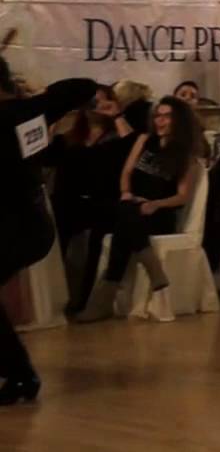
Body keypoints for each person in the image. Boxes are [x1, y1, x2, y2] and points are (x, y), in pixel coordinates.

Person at [0, 61, 97, 404]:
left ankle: (20, 374)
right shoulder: (28, 111)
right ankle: (19, 373)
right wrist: (38, 98)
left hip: (21, 226)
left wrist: (34, 99)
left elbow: (86, 86)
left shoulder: (18, 113)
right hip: (30, 223)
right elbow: (84, 86)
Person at [77, 97, 201, 323]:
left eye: (167, 116)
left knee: (125, 221)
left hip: (158, 213)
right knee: (126, 213)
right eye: (158, 116)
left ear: (179, 120)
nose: (160, 121)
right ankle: (153, 269)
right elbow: (126, 173)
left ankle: (102, 301)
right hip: (132, 206)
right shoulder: (144, 140)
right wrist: (126, 192)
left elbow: (182, 197)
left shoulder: (186, 156)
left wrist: (155, 204)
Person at [47, 85, 138, 312]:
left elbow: (133, 148)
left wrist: (117, 115)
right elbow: (44, 156)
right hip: (69, 202)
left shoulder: (115, 138)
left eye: (101, 102)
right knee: (54, 228)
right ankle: (52, 298)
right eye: (91, 102)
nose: (95, 107)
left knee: (97, 236)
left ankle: (86, 300)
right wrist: (53, 121)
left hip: (102, 201)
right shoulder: (69, 139)